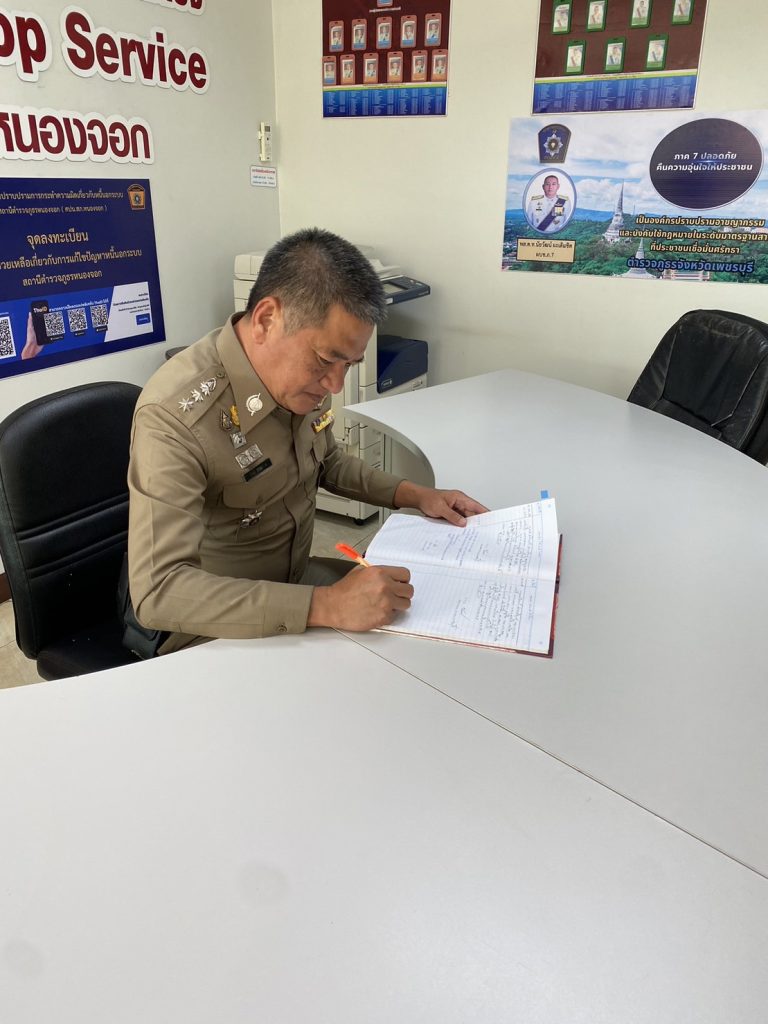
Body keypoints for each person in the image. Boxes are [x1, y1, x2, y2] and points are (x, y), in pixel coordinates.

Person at [127, 229, 487, 656]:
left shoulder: (299, 384)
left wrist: (417, 495)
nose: (335, 385)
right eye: (326, 360)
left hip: (295, 583)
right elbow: (159, 592)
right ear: (266, 320)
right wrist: (327, 605)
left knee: (422, 617)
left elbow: (327, 462)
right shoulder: (175, 416)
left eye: (349, 365)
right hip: (216, 625)